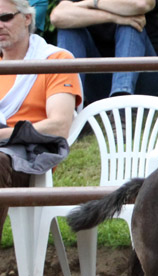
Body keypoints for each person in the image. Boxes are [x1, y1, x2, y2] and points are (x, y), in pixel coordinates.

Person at [0, 0, 82, 237]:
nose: (0, 26)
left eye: (5, 18)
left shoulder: (55, 60)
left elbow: (59, 126)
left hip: (29, 156)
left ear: (27, 19)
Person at [49, 0, 158, 105]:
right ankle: (70, 104)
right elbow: (57, 16)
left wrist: (92, 3)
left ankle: (121, 105)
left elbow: (140, 4)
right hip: (100, 83)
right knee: (68, 28)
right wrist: (115, 17)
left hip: (147, 78)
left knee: (131, 24)